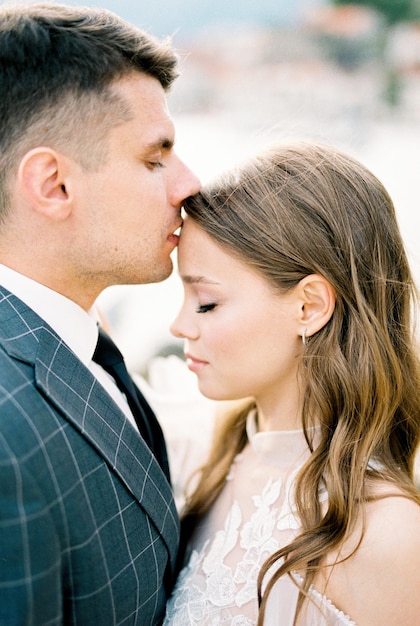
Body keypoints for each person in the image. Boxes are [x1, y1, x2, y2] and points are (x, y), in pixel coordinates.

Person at [0, 3, 200, 625]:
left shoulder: (75, 342)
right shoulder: (6, 436)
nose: (188, 184)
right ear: (53, 184)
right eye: (154, 157)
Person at [165, 141, 420, 625]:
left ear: (309, 306)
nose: (180, 325)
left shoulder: (389, 534)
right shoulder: (212, 462)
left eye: (206, 303)